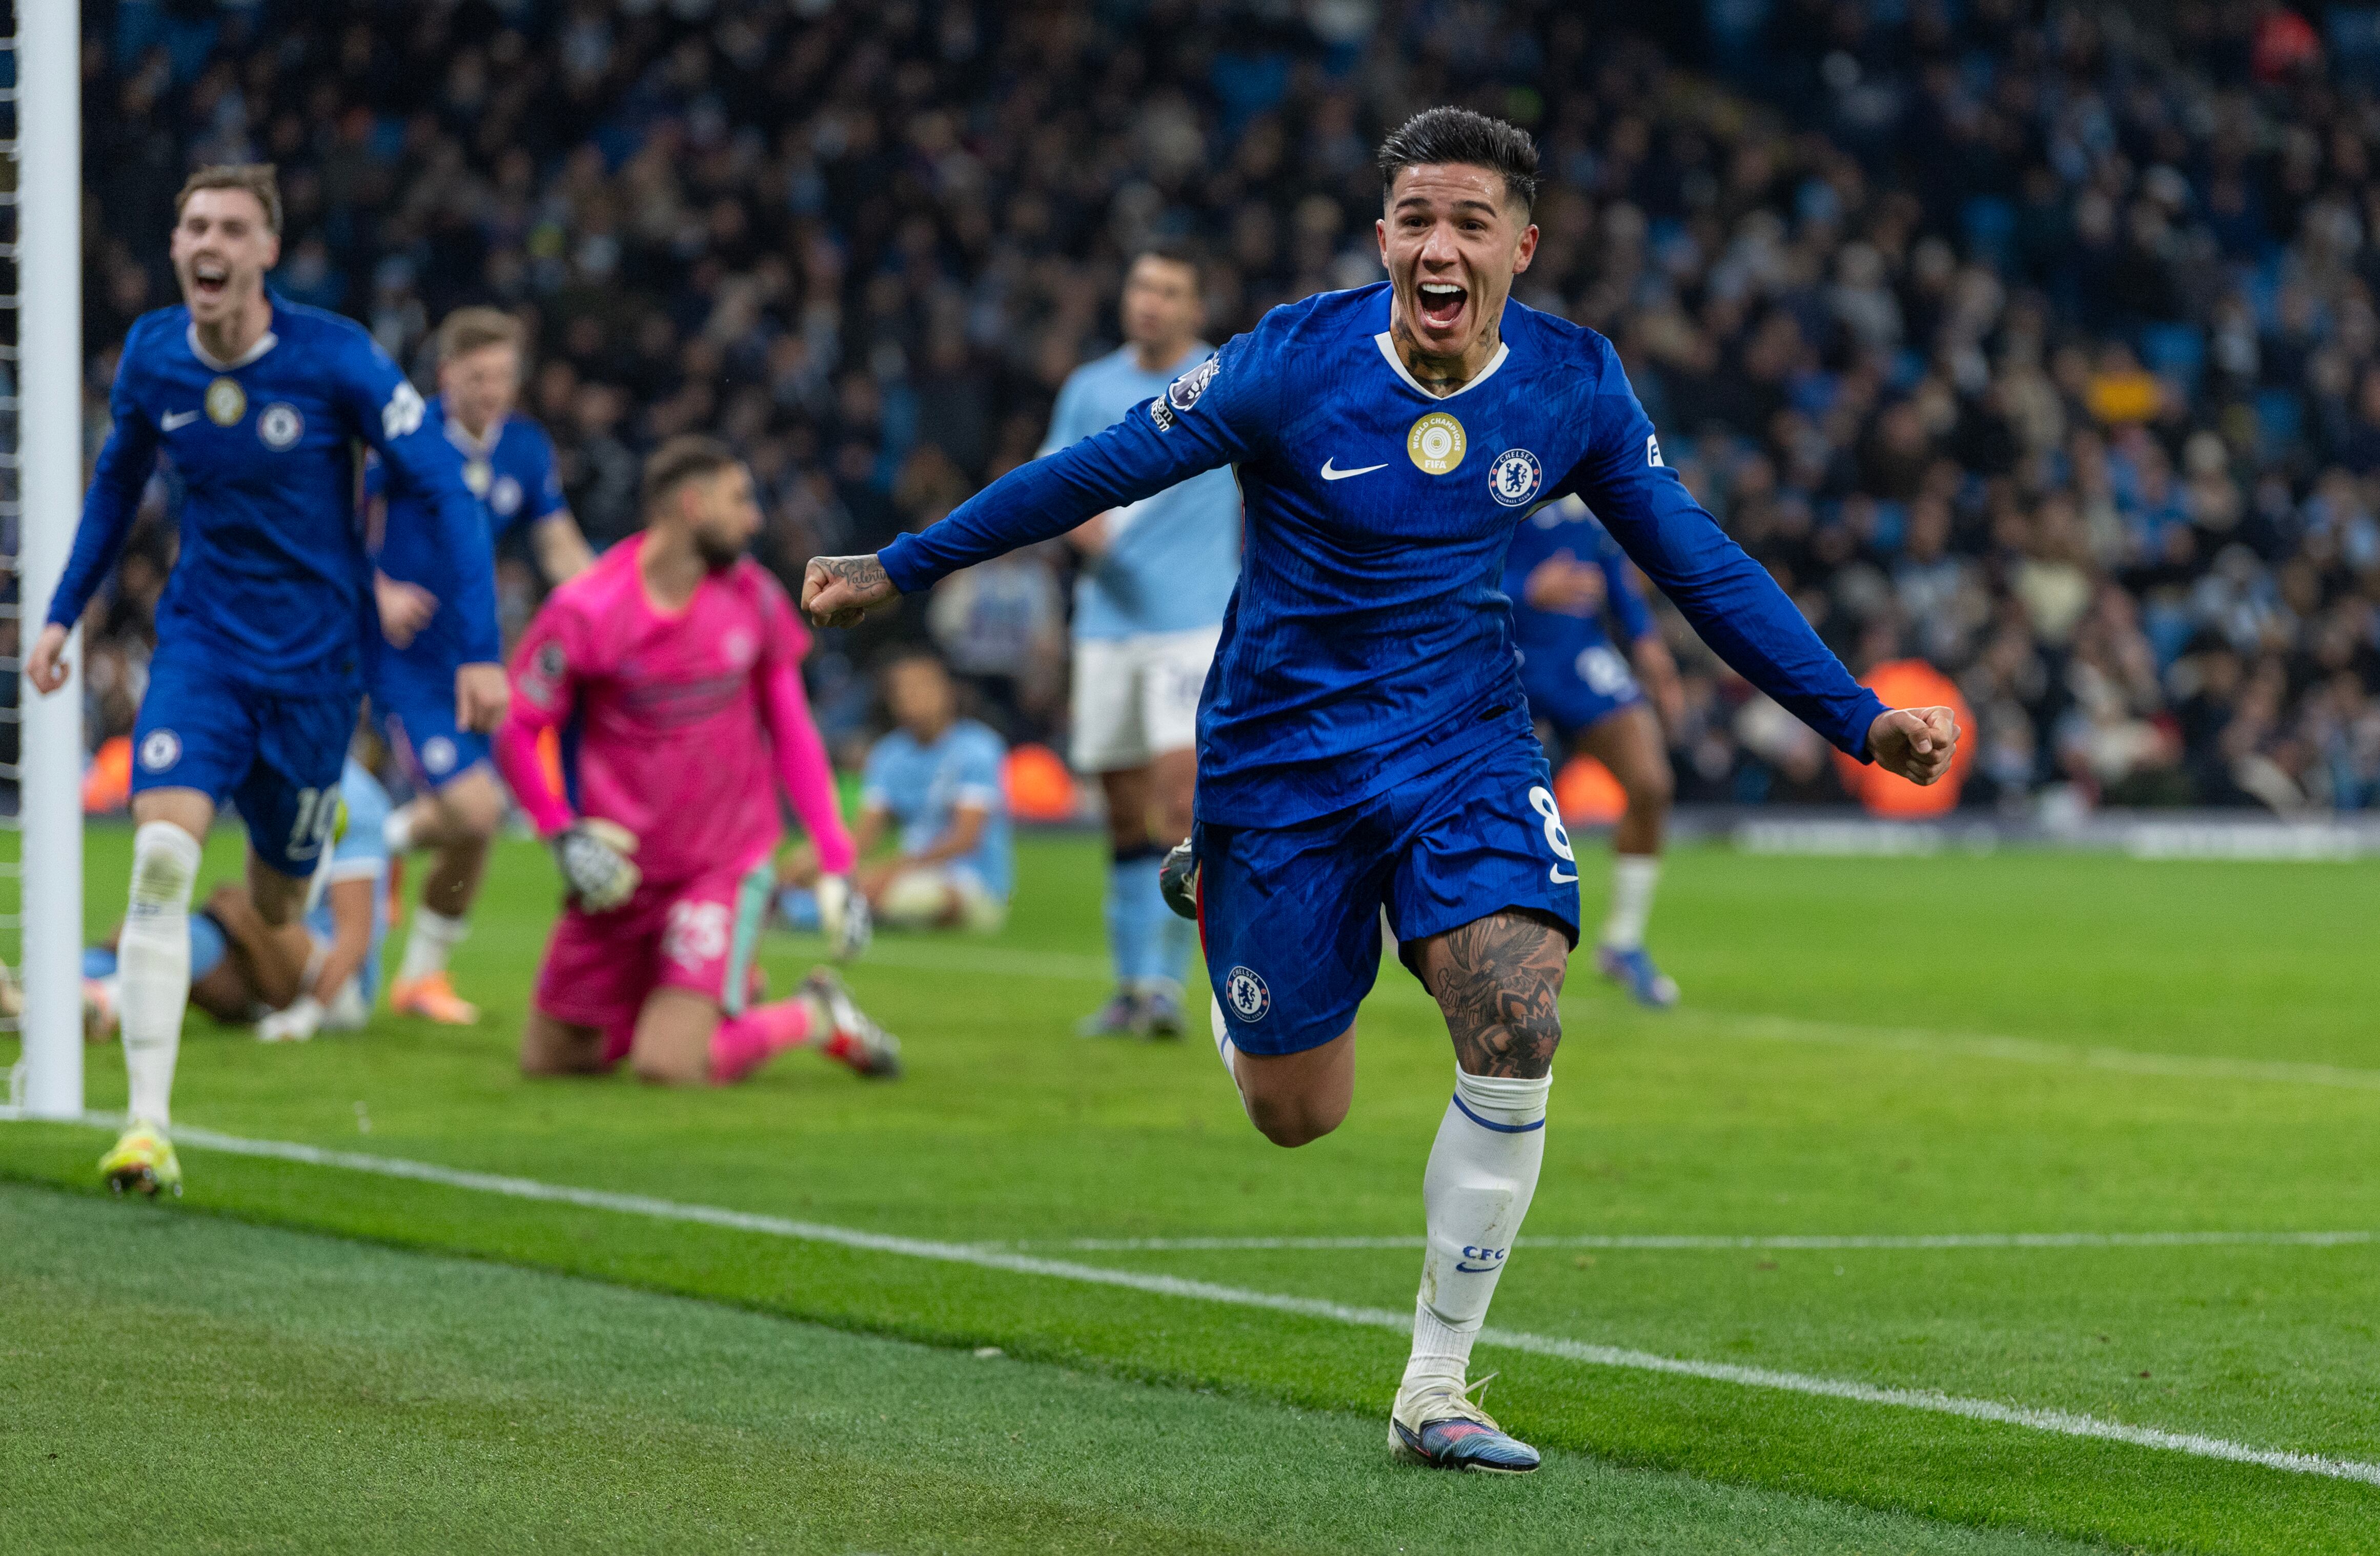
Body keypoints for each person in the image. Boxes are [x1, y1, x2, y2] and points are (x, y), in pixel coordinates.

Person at [802, 108, 1958, 1473]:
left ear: (1521, 245)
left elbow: (1696, 564)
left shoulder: (1574, 385)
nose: (1440, 245)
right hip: (1282, 763)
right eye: (1416, 220)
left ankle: (1435, 1380)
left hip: (1464, 746)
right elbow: (1096, 468)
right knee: (1299, 1113)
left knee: (1517, 1009)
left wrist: (1854, 716)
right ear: (1383, 240)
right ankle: (1222, 899)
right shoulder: (1292, 359)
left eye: (1470, 221)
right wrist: (907, 563)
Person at [26, 163, 500, 1198]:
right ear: (178, 247)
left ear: (266, 253)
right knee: (160, 855)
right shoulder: (154, 354)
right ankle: (146, 1127)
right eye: (195, 223)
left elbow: (447, 494)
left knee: (284, 898)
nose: (212, 242)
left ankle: (273, 917)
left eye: (234, 228)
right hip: (202, 654)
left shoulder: (336, 359)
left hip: (318, 676)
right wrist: (61, 613)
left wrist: (479, 649)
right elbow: (116, 491)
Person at [492, 436, 899, 1087]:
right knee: (552, 1061)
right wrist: (559, 831)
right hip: (619, 871)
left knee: (668, 1065)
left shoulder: (753, 598)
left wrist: (836, 861)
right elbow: (516, 726)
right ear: (692, 505)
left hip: (721, 867)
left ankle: (812, 1015)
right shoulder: (587, 608)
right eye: (739, 500)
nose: (754, 518)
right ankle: (703, 995)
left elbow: (792, 732)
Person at [370, 308, 596, 1028]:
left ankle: (418, 971)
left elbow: (558, 545)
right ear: (446, 376)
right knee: (479, 809)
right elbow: (341, 520)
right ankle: (372, 843)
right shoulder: (406, 436)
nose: (492, 389)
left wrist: (610, 607)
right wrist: (376, 589)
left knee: (478, 824)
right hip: (403, 658)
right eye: (477, 376)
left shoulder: (525, 450)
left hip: (479, 658)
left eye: (503, 375)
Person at [1043, 243, 1242, 1038]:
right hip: (1106, 628)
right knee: (1123, 815)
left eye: (1168, 290)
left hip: (1191, 622)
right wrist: (1077, 525)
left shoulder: (1224, 380)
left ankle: (1166, 984)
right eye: (1140, 286)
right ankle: (1129, 987)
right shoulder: (1089, 389)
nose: (1149, 302)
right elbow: (1056, 483)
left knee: (1175, 803)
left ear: (1195, 308)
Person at [1504, 495, 1685, 1007]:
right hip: (1501, 646)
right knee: (1500, 804)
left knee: (1650, 785)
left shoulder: (1587, 459)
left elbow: (1607, 560)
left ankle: (1623, 943)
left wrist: (1646, 639)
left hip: (1577, 653)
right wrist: (1524, 588)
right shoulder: (1492, 450)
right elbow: (1440, 563)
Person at [82, 754, 397, 1043]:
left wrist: (306, 1017)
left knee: (235, 906)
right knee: (201, 938)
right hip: (272, 964)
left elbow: (356, 934)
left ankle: (91, 994)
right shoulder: (281, 770)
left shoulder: (356, 797)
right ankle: (79, 993)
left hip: (341, 989)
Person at [843, 651, 1014, 933]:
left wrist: (891, 871)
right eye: (901, 691)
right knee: (840, 884)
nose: (911, 698)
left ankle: (833, 911)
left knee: (883, 895)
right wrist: (822, 860)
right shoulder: (889, 754)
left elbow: (965, 840)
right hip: (911, 873)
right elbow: (863, 835)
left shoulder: (978, 749)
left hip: (972, 883)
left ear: (947, 693)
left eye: (920, 687)